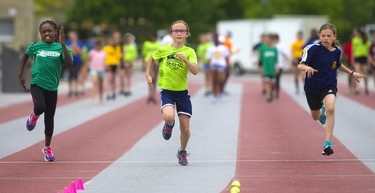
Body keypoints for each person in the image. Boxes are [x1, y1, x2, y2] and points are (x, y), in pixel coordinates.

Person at [297, 23, 366, 156]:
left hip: (329, 85)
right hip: (312, 87)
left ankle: (327, 143)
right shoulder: (312, 48)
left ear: (334, 37)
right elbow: (301, 65)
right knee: (315, 116)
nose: (326, 39)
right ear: (319, 36)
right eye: (323, 36)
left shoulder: (337, 51)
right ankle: (321, 112)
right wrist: (307, 68)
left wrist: (352, 73)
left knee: (331, 108)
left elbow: (337, 65)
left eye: (329, 36)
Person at [145, 20, 198, 166]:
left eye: (182, 31)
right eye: (176, 30)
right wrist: (148, 74)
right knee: (168, 116)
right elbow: (151, 58)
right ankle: (169, 123)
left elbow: (195, 71)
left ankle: (182, 151)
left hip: (182, 94)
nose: (179, 33)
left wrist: (186, 61)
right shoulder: (163, 50)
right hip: (167, 91)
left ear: (187, 34)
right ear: (171, 34)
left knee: (185, 129)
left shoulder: (190, 52)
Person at [18, 20, 73, 161]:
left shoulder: (61, 48)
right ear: (41, 34)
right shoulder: (36, 47)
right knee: (40, 106)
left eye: (49, 31)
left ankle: (47, 148)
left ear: (55, 31)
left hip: (52, 88)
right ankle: (34, 115)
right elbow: (25, 56)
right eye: (44, 32)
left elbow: (69, 63)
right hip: (37, 84)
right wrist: (20, 74)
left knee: (49, 119)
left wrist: (62, 44)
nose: (47, 33)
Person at [206, 32, 230, 102]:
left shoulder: (224, 48)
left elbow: (227, 58)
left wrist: (228, 67)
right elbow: (209, 59)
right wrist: (209, 68)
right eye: (214, 39)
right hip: (213, 65)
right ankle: (215, 95)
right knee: (214, 80)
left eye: (217, 39)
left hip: (222, 66)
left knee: (221, 80)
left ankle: (221, 93)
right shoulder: (210, 48)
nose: (215, 41)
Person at [142, 32, 161, 104]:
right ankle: (150, 95)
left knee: (155, 79)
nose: (153, 38)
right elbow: (144, 53)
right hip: (149, 62)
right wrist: (143, 63)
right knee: (151, 78)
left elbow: (160, 54)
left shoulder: (159, 44)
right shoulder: (146, 43)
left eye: (154, 37)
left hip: (156, 62)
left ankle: (153, 95)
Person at [258, 33, 278, 102]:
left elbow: (276, 60)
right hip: (265, 69)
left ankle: (271, 92)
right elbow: (260, 59)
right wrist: (260, 68)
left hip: (272, 69)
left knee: (272, 84)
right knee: (267, 82)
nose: (267, 40)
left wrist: (277, 68)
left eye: (269, 39)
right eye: (266, 39)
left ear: (271, 40)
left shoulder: (274, 49)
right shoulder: (262, 48)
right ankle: (268, 95)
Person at [352, 27, 371, 95]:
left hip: (364, 57)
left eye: (356, 32)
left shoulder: (365, 39)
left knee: (365, 73)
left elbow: (368, 51)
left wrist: (369, 60)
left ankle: (366, 87)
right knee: (357, 73)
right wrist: (353, 60)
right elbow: (353, 51)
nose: (355, 33)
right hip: (357, 57)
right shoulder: (354, 40)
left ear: (359, 32)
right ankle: (357, 88)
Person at [66, 31, 84, 97]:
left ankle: (75, 90)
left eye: (73, 36)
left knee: (76, 75)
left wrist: (76, 46)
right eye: (71, 36)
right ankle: (70, 90)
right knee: (70, 76)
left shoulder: (79, 43)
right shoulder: (68, 43)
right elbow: (66, 52)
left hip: (77, 61)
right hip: (70, 61)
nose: (71, 37)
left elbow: (81, 53)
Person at [88, 40, 106, 104]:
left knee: (100, 85)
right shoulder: (92, 52)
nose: (97, 47)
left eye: (99, 46)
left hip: (101, 70)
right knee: (95, 83)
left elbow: (105, 61)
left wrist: (106, 67)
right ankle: (94, 98)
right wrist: (86, 67)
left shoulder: (103, 52)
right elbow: (88, 60)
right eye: (96, 46)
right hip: (94, 69)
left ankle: (101, 97)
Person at [273, 33, 289, 99]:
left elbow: (285, 54)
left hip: (279, 65)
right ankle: (271, 90)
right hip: (271, 65)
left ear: (276, 39)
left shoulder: (281, 45)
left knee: (277, 79)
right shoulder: (272, 45)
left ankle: (277, 92)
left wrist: (289, 62)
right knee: (271, 79)